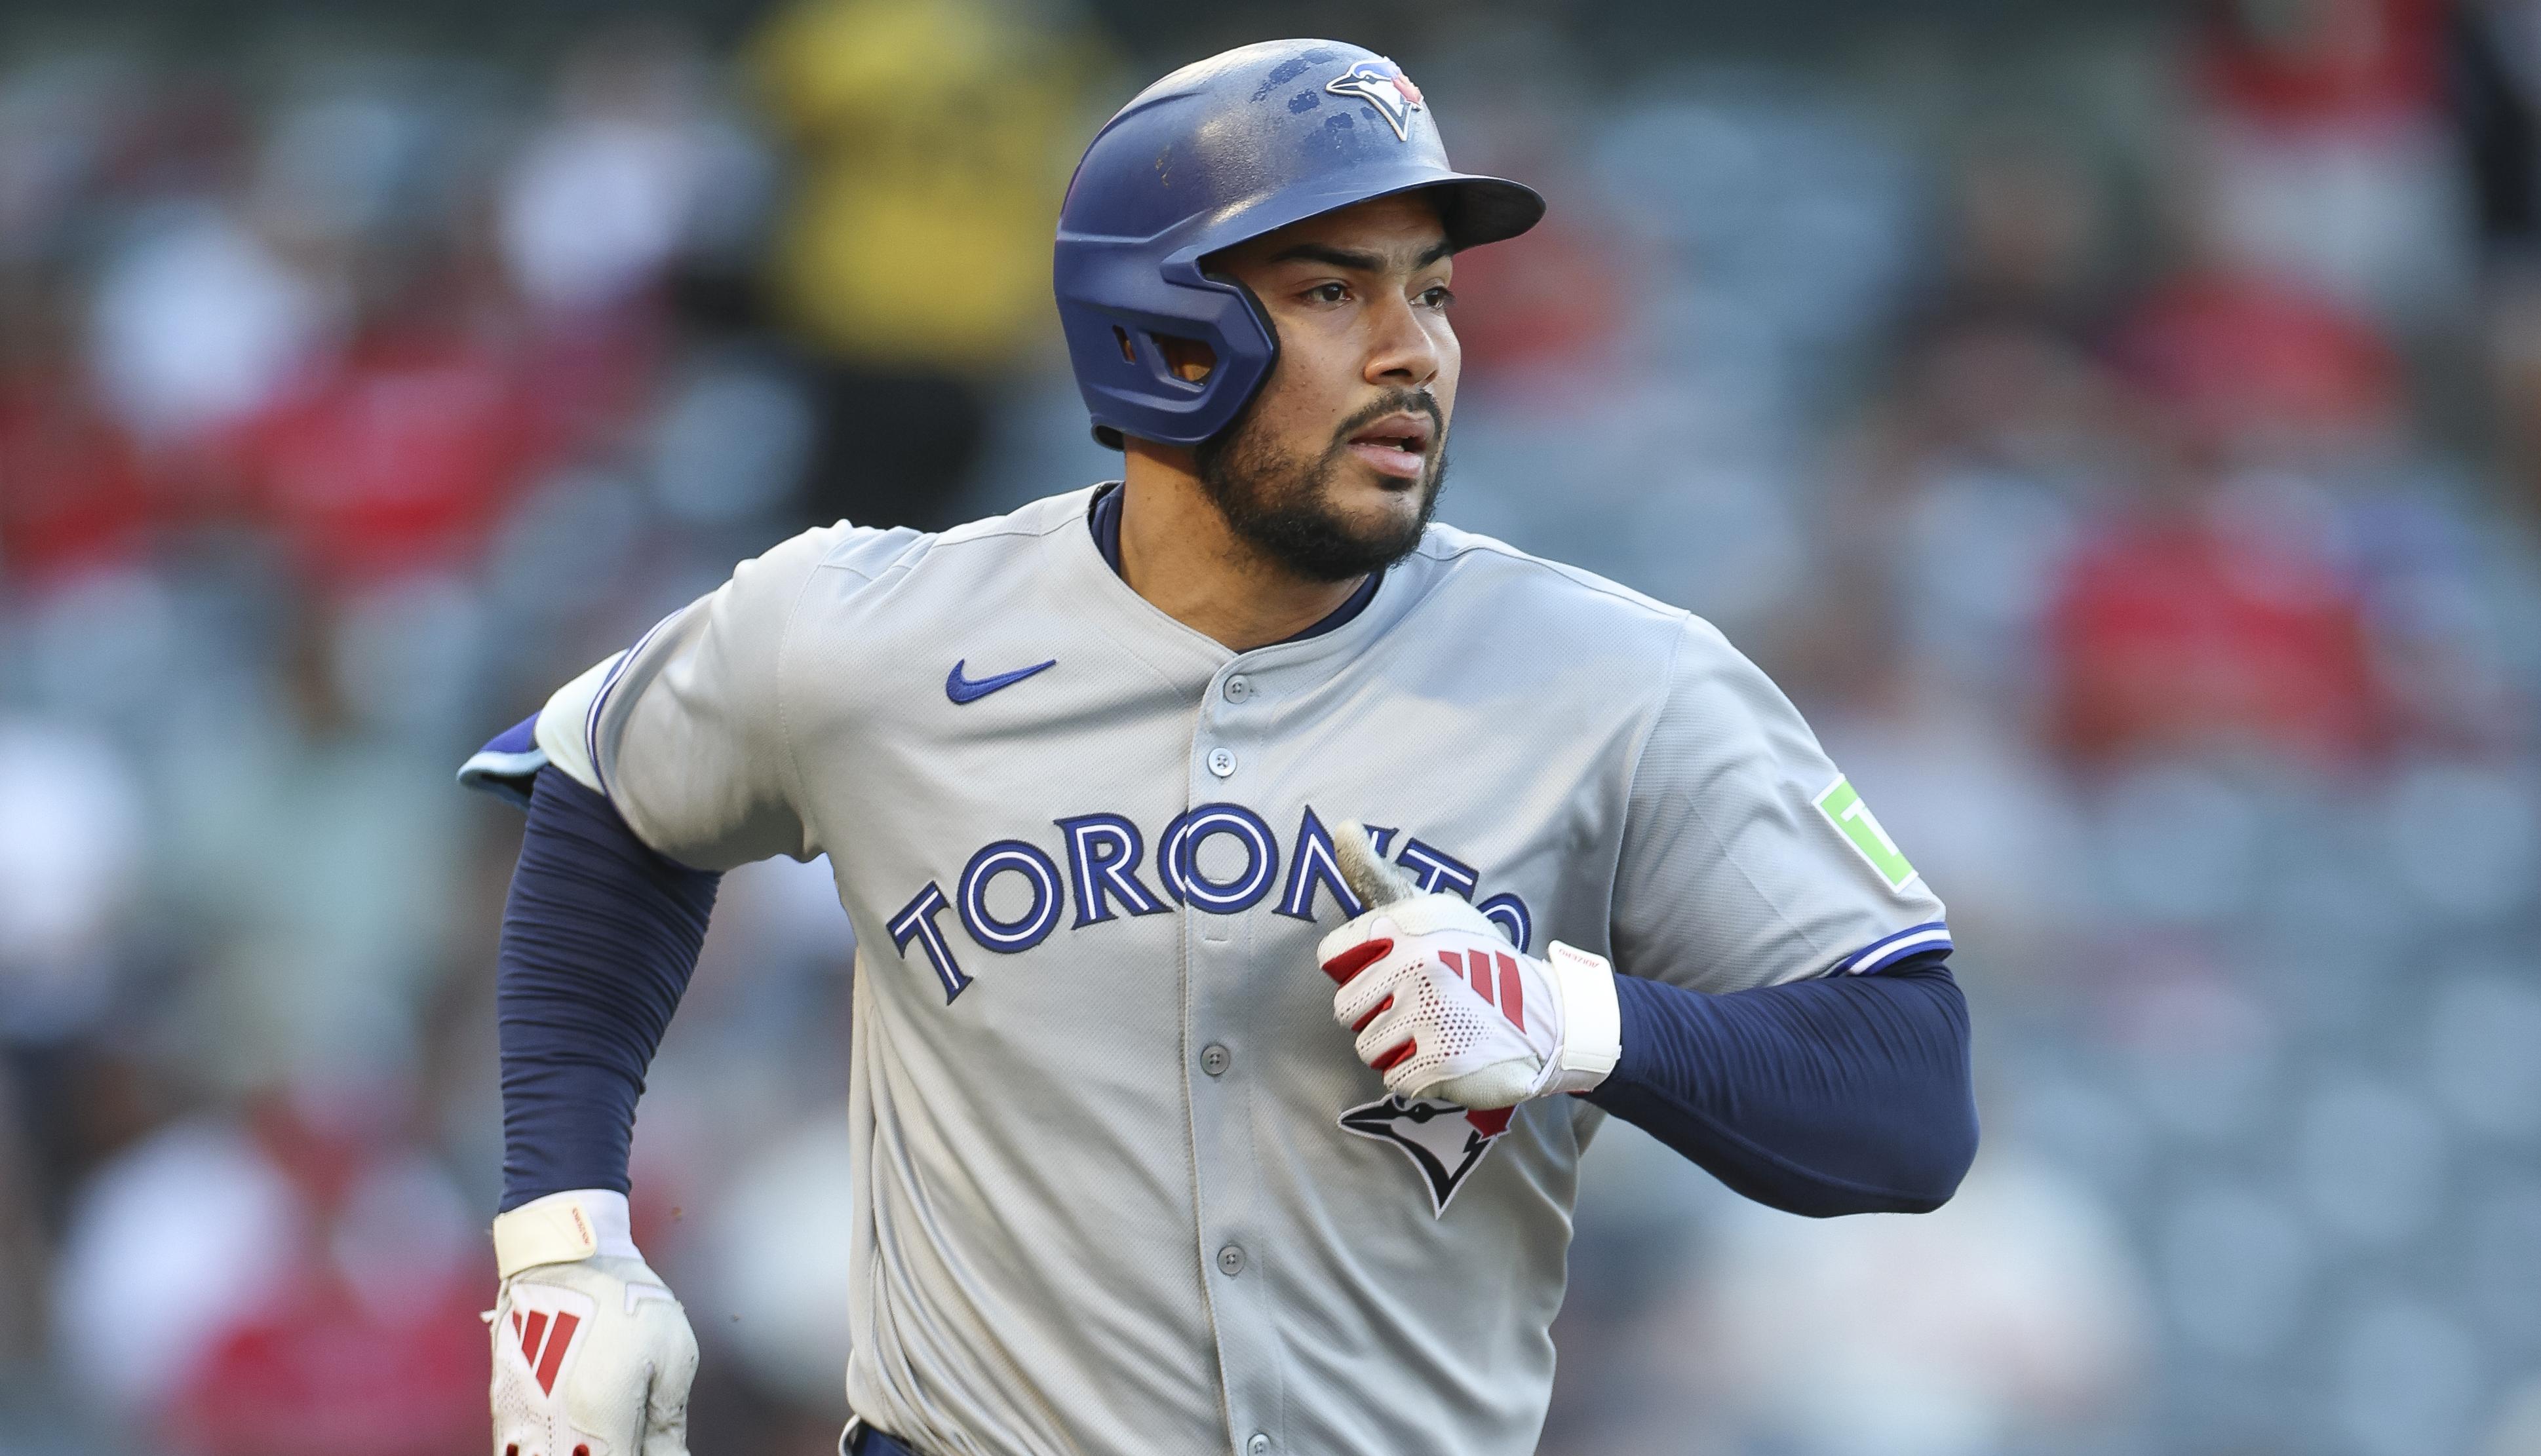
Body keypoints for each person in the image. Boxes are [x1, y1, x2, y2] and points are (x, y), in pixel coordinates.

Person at [459, 39, 1978, 1456]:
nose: (1414, 352)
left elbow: (1909, 1101)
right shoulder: (868, 630)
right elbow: (608, 791)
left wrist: (1578, 1019)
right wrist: (565, 1242)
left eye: (1434, 294)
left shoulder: (1618, 678)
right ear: (1158, 335)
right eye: (1333, 293)